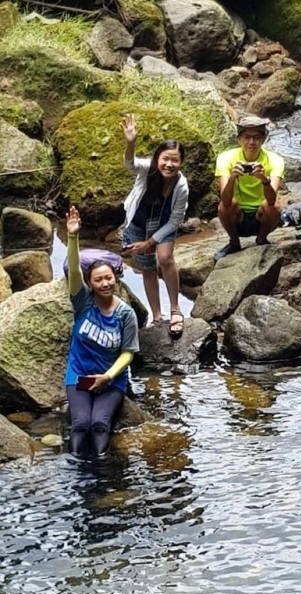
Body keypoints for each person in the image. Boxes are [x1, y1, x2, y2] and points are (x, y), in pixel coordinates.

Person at [65, 205, 140, 459]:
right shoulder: (83, 301)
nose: (105, 283)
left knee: (98, 424)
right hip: (79, 375)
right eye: (98, 280)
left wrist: (107, 377)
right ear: (90, 283)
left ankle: (101, 474)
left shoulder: (125, 314)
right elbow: (74, 271)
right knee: (80, 424)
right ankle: (75, 473)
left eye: (108, 278)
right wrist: (73, 236)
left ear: (115, 278)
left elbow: (128, 354)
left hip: (111, 379)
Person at [120, 114, 189, 337]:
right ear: (157, 158)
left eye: (175, 160)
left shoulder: (181, 186)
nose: (169, 164)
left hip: (163, 224)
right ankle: (157, 316)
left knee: (166, 258)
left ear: (181, 163)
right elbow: (130, 164)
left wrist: (150, 242)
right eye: (165, 159)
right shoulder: (147, 169)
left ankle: (176, 310)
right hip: (138, 223)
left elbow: (175, 220)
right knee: (148, 269)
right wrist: (130, 143)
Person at [213, 115, 284, 261]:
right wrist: (232, 178)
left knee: (274, 206)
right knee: (224, 206)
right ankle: (234, 242)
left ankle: (261, 240)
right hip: (237, 217)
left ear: (264, 139)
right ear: (239, 139)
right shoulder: (225, 159)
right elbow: (225, 201)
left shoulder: (275, 160)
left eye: (256, 137)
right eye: (247, 137)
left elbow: (271, 200)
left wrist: (264, 179)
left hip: (261, 217)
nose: (251, 142)